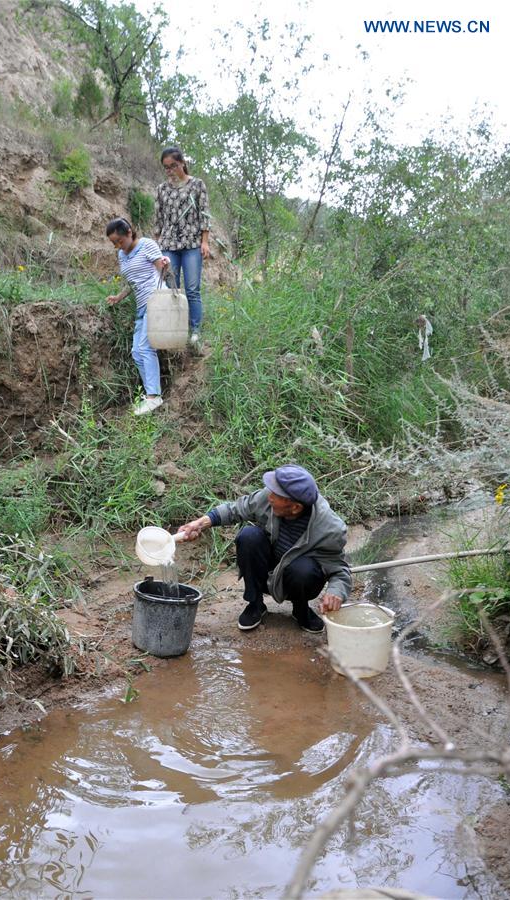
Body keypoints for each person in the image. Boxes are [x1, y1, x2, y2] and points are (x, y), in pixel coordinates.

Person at [178, 464, 351, 632]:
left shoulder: (331, 529)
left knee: (303, 570)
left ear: (295, 507)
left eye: (276, 494)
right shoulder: (269, 498)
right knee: (249, 536)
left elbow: (340, 571)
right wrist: (200, 524)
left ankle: (301, 609)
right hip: (268, 567)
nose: (270, 496)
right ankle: (255, 604)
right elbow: (236, 509)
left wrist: (336, 592)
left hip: (297, 577)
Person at [105, 217, 169, 416]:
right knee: (136, 351)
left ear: (129, 233)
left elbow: (163, 272)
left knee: (145, 347)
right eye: (114, 243)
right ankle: (152, 393)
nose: (117, 246)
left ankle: (153, 396)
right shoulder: (122, 256)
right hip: (141, 306)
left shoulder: (147, 245)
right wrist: (118, 297)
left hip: (156, 300)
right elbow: (132, 282)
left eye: (119, 241)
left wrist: (166, 264)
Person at [154, 146, 211, 347]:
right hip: (168, 244)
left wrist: (205, 241)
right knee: (172, 288)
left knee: (193, 288)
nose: (170, 171)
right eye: (166, 167)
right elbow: (158, 220)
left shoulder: (197, 185)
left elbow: (204, 214)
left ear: (182, 163)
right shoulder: (161, 189)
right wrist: (156, 249)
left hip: (192, 244)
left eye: (174, 166)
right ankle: (177, 330)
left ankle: (195, 331)